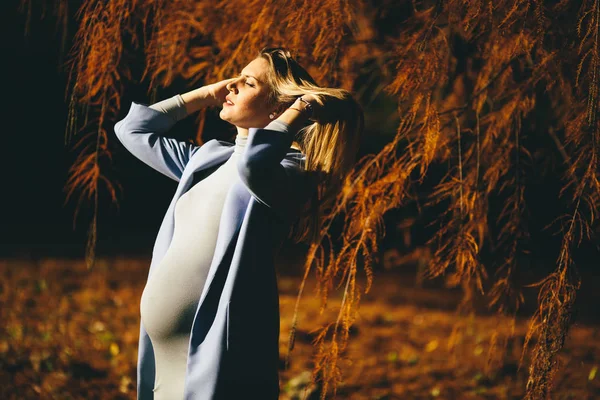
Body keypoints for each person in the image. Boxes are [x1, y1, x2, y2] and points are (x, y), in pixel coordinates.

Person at [113, 47, 364, 400]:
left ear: (278, 107)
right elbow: (132, 130)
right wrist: (204, 95)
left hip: (220, 349)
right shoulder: (208, 158)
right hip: (163, 352)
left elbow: (254, 166)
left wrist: (301, 109)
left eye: (247, 83)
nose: (231, 87)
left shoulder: (291, 173)